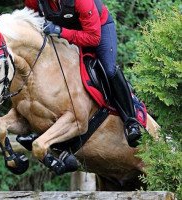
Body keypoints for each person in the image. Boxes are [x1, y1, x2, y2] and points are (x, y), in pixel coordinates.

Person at [24, 0, 142, 147]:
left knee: (109, 69)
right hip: (63, 32)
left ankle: (131, 122)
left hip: (97, 29)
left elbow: (93, 38)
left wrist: (61, 31)